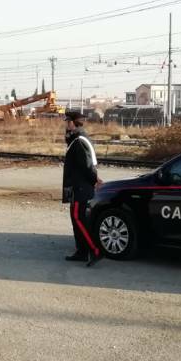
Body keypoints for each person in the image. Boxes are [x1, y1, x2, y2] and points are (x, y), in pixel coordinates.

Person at [62, 110, 103, 266]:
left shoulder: (80, 140)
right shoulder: (76, 139)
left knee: (79, 218)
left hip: (81, 187)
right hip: (77, 187)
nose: (66, 125)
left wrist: (94, 179)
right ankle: (81, 251)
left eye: (68, 122)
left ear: (73, 122)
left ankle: (95, 250)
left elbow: (87, 165)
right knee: (75, 218)